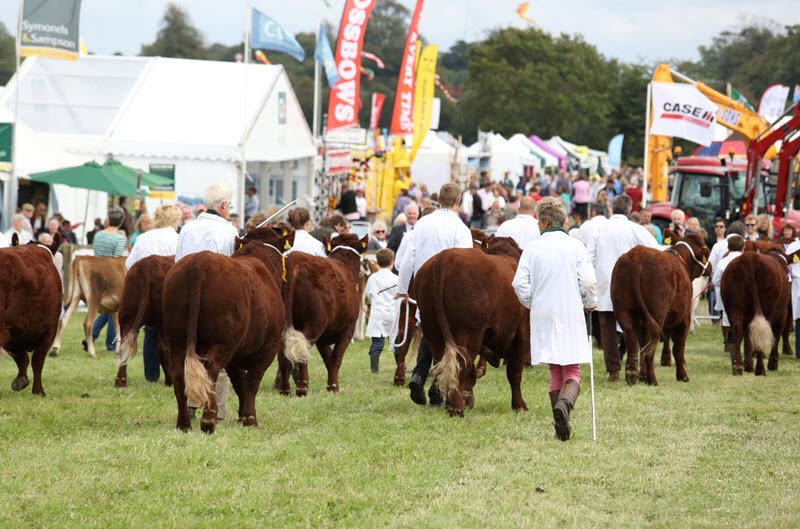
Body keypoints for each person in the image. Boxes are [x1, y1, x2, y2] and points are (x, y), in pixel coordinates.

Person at [512, 197, 596, 441]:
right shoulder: (575, 246)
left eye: (538, 221)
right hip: (570, 309)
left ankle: (562, 423)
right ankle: (564, 407)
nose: (537, 225)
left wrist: (532, 301)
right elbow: (589, 282)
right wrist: (590, 303)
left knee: (554, 369)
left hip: (542, 311)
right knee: (572, 368)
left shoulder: (532, 248)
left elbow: (518, 283)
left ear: (546, 221)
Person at [397, 183, 473, 407]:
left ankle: (420, 374)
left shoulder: (422, 223)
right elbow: (467, 264)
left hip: (424, 284)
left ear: (439, 199)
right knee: (448, 333)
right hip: (451, 287)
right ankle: (437, 390)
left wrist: (402, 289)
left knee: (429, 328)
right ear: (458, 202)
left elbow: (409, 258)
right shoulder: (460, 229)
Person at [175, 183, 239, 421]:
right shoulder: (229, 231)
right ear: (223, 206)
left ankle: (191, 403)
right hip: (217, 297)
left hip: (184, 295)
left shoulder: (187, 228)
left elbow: (178, 263)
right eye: (229, 205)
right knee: (218, 353)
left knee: (191, 348)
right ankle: (216, 408)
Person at [588, 194, 659, 381]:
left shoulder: (600, 229)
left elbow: (590, 257)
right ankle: (632, 364)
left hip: (604, 282)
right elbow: (656, 250)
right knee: (632, 325)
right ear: (629, 210)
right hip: (630, 285)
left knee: (607, 328)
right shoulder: (636, 229)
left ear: (612, 208)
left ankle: (613, 371)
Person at [125, 204, 181, 382]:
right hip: (169, 289)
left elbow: (129, 265)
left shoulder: (143, 238)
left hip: (144, 290)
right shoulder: (178, 239)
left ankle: (151, 375)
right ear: (173, 220)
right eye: (177, 219)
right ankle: (171, 374)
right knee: (170, 332)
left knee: (150, 331)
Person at [88, 206, 128, 353]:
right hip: (111, 273)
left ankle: (92, 334)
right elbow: (116, 260)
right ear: (122, 221)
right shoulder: (119, 238)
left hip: (96, 271)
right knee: (115, 307)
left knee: (105, 309)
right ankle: (111, 344)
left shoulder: (98, 235)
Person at [364, 249, 399, 374]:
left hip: (377, 314)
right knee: (396, 342)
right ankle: (400, 366)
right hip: (393, 314)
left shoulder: (372, 278)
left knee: (377, 343)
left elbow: (368, 295)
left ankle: (374, 370)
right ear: (392, 262)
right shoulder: (396, 278)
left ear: (377, 262)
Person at [711, 233, 744, 353]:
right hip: (746, 295)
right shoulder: (747, 260)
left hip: (729, 295)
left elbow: (715, 280)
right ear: (743, 247)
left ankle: (728, 344)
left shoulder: (723, 261)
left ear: (728, 248)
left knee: (726, 319)